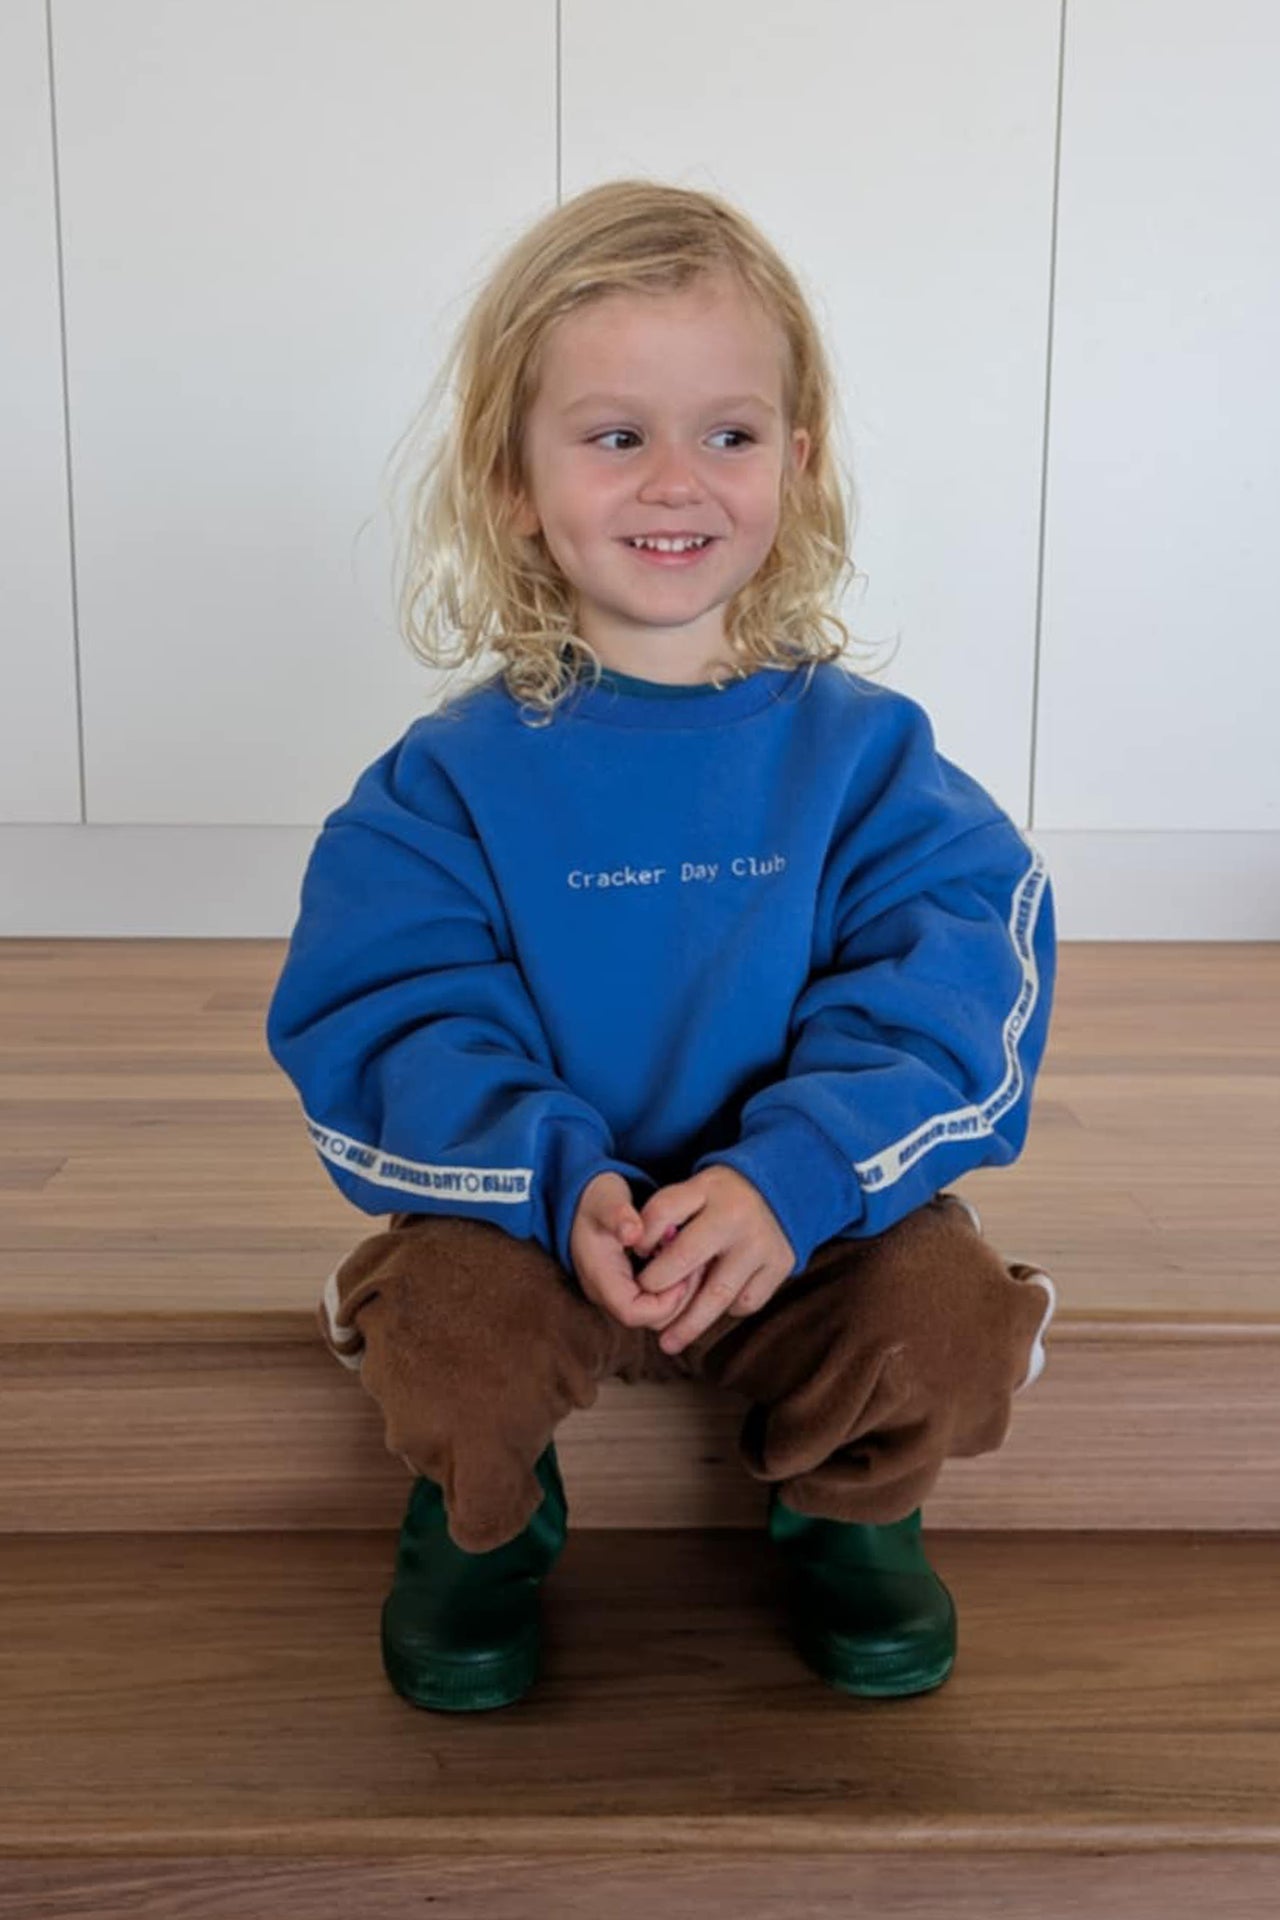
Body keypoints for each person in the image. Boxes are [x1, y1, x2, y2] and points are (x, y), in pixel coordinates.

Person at [265, 178, 1058, 1715]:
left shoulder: (869, 758)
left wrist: (796, 1172)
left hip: (806, 1226)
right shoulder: (444, 787)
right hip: (547, 1223)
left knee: (947, 1313)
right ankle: (486, 1522)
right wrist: (563, 1182)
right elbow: (392, 1010)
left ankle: (850, 1510)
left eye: (732, 434)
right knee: (443, 1329)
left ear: (799, 464)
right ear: (514, 479)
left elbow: (958, 962)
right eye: (618, 434)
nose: (677, 480)